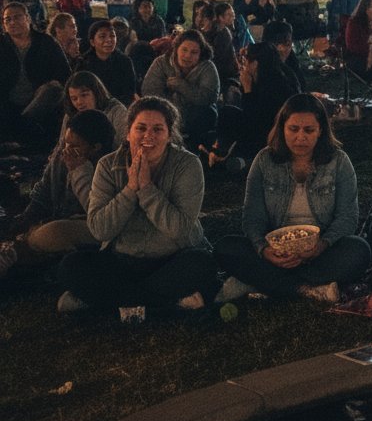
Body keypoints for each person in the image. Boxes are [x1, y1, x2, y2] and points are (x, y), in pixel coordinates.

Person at [56, 97, 218, 312]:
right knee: (71, 267)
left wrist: (147, 188)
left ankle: (105, 302)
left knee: (202, 263)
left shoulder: (187, 165)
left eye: (158, 129)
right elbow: (99, 229)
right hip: (123, 259)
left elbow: (178, 229)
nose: (148, 136)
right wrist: (130, 189)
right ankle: (168, 303)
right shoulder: (108, 165)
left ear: (169, 135)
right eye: (140, 128)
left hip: (172, 257)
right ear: (128, 133)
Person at [214, 94, 371, 303]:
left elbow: (348, 216)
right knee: (226, 247)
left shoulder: (338, 162)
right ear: (282, 128)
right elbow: (253, 217)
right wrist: (264, 250)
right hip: (276, 253)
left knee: (358, 250)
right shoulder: (264, 161)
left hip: (320, 253)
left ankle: (263, 283)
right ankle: (305, 289)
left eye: (309, 130)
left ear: (320, 131)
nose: (300, 137)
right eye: (293, 129)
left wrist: (321, 246)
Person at [0, 110, 115, 279]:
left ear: (95, 147)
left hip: (90, 229)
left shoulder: (107, 169)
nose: (67, 150)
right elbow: (44, 191)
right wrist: (25, 218)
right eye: (66, 144)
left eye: (75, 146)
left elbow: (96, 215)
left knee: (51, 233)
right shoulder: (63, 158)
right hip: (56, 219)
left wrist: (80, 172)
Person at [0, 2, 70, 147]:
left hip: (38, 100)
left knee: (54, 88)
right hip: (7, 99)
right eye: (8, 19)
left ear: (28, 18)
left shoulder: (46, 42)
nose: (13, 22)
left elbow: (65, 74)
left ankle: (20, 125)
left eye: (17, 17)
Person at [236, 23, 305, 162]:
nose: (244, 65)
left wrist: (247, 88)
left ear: (255, 63)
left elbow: (254, 120)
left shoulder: (271, 83)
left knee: (228, 117)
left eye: (246, 61)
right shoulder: (277, 70)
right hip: (283, 128)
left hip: (273, 135)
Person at [140, 29, 220, 143]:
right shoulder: (161, 63)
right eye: (184, 50)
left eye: (194, 52)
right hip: (166, 115)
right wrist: (175, 105)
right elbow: (149, 91)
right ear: (176, 49)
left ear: (200, 54)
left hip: (197, 119)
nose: (188, 56)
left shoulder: (207, 67)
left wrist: (181, 86)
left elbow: (209, 96)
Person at [60, 71, 130, 147]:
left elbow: (123, 146)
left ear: (96, 93)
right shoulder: (71, 114)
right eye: (74, 98)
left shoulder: (116, 111)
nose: (79, 102)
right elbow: (60, 146)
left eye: (84, 95)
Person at [78, 20, 136, 107]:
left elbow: (129, 93)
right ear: (92, 42)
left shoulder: (125, 61)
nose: (109, 40)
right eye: (102, 36)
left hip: (118, 109)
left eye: (112, 36)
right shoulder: (83, 63)